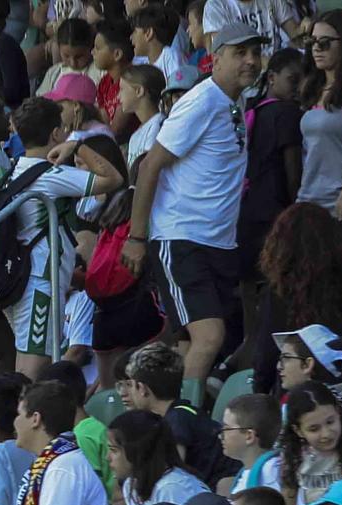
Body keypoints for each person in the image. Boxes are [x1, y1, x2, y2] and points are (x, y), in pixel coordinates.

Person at [122, 22, 268, 392]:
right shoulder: (200, 101)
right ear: (215, 58)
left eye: (255, 52)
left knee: (189, 342)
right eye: (240, 53)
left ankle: (162, 414)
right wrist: (136, 237)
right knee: (210, 337)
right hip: (182, 238)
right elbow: (151, 164)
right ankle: (182, 421)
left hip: (217, 243)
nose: (251, 61)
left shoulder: (234, 101)